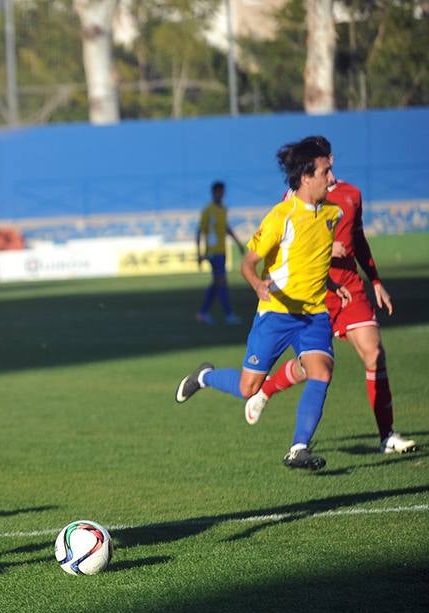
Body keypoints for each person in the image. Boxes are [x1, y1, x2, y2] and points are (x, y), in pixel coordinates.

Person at [175, 137, 350, 471]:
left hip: (313, 315)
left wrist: (331, 283)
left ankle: (299, 448)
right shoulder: (280, 217)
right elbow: (247, 263)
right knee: (247, 388)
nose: (332, 179)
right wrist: (257, 285)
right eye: (326, 171)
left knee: (321, 372)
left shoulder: (332, 213)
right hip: (276, 314)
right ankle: (205, 376)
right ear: (305, 177)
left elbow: (314, 258)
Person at [244, 139, 417, 455]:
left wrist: (375, 280)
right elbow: (286, 241)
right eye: (325, 164)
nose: (330, 170)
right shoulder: (295, 200)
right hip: (312, 293)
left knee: (374, 353)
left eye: (330, 162)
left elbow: (359, 240)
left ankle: (387, 435)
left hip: (348, 288)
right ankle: (266, 389)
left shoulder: (351, 196)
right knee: (312, 367)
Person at [195, 181, 246, 325]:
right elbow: (199, 231)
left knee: (217, 284)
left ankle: (202, 313)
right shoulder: (208, 211)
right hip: (213, 253)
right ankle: (229, 315)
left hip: (222, 252)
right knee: (222, 283)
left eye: (222, 191)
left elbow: (226, 228)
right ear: (214, 192)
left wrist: (238, 243)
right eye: (219, 191)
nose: (221, 194)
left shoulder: (223, 209)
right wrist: (199, 253)